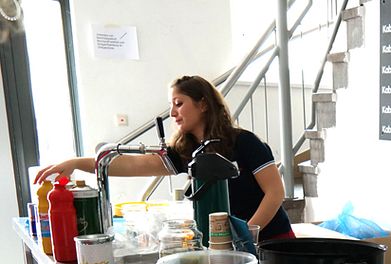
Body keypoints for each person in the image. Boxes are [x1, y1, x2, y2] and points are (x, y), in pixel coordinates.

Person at [34, 75, 294, 241]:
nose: (172, 113)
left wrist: (246, 234)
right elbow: (132, 164)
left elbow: (274, 193)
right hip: (230, 243)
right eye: (171, 105)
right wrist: (76, 163)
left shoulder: (244, 142)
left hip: (272, 241)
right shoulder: (185, 152)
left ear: (203, 104)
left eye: (179, 103)